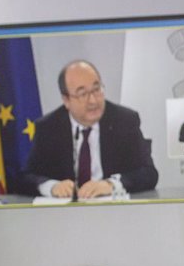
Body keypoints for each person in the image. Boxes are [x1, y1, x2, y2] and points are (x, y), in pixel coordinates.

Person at [18, 60, 158, 199]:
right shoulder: (48, 127)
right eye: (82, 94)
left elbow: (149, 173)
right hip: (66, 216)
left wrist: (111, 184)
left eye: (96, 90)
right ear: (66, 100)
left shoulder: (124, 120)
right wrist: (52, 187)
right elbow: (25, 178)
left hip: (113, 213)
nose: (93, 101)